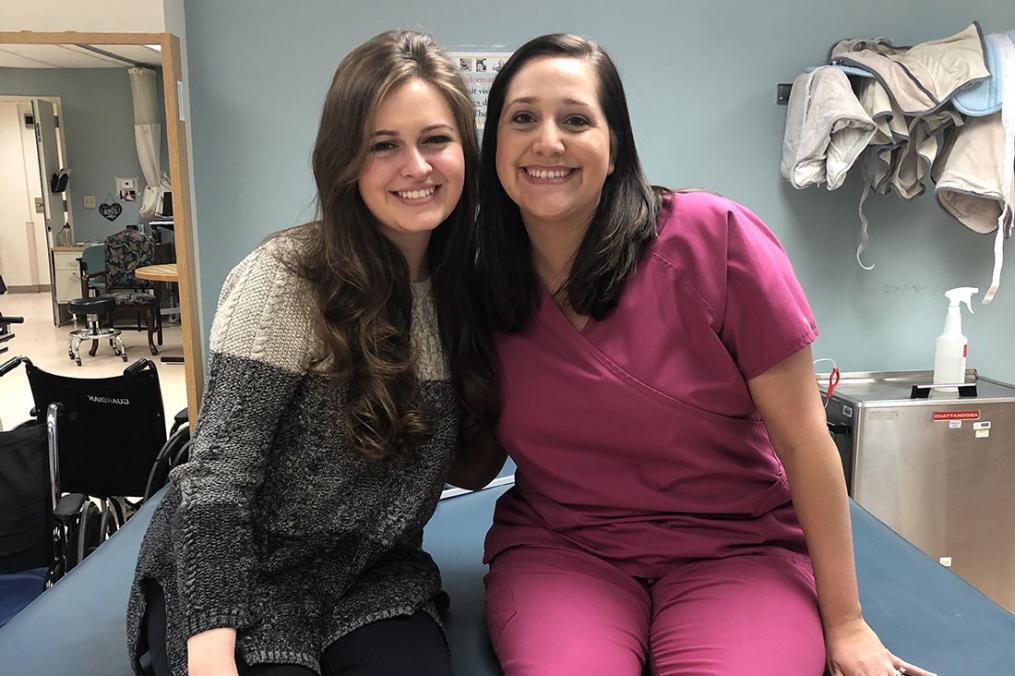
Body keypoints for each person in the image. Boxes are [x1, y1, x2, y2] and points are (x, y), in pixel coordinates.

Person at [451, 33, 936, 676]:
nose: (547, 141)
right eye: (522, 118)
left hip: (736, 550)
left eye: (575, 120)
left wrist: (846, 623)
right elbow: (477, 460)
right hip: (564, 552)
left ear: (615, 145)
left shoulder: (715, 240)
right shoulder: (481, 284)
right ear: (495, 146)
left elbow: (803, 441)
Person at [126, 30, 490, 676]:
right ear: (345, 160)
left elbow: (471, 468)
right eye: (383, 145)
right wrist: (210, 648)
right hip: (244, 567)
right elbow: (219, 475)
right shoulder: (285, 279)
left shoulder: (468, 294)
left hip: (372, 576)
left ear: (466, 150)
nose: (417, 166)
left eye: (435, 139)